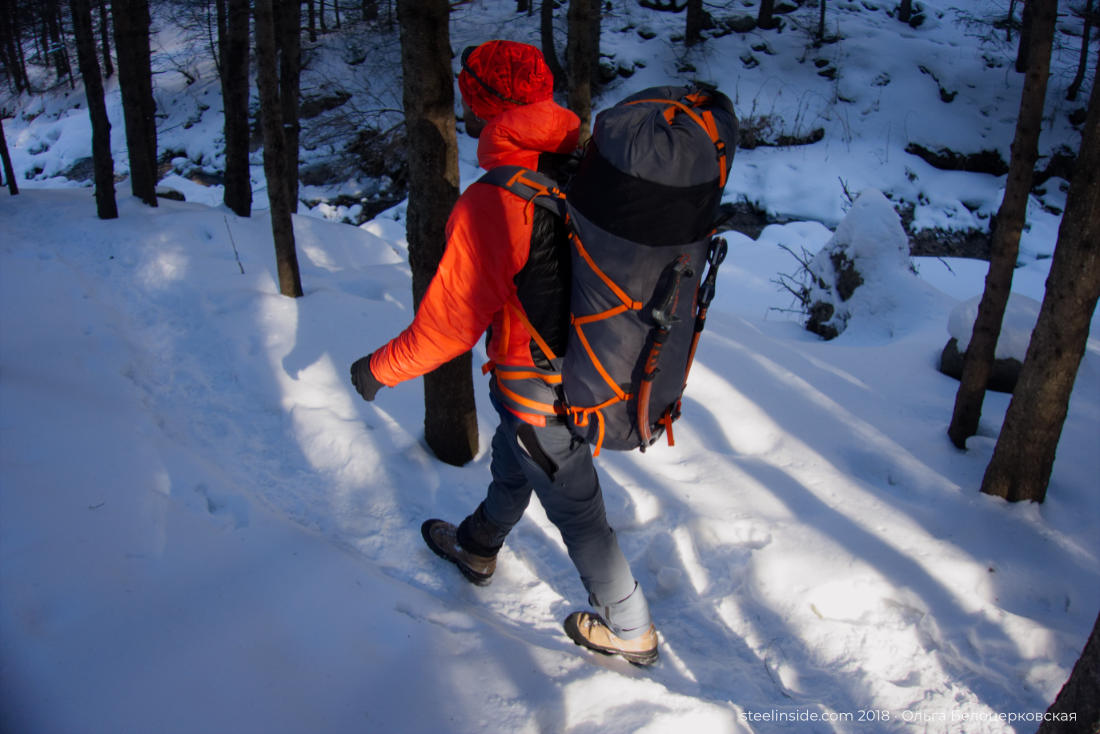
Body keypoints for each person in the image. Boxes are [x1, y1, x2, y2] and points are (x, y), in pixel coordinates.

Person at [349, 40, 658, 666]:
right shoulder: (586, 159)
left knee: (576, 505)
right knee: (516, 464)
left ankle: (632, 630)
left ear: (483, 104)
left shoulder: (495, 199)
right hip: (590, 365)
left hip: (537, 387)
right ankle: (477, 545)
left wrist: (376, 370)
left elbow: (448, 327)